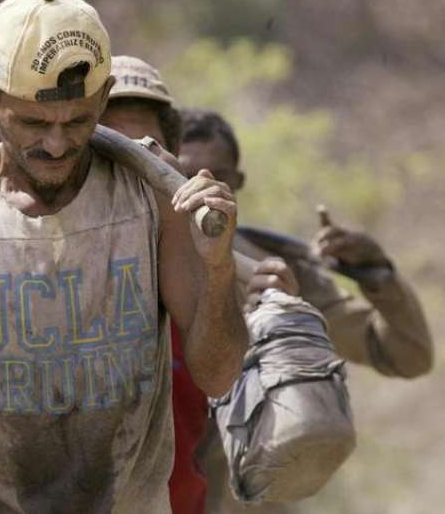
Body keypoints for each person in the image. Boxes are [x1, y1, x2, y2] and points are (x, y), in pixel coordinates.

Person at [0, 0, 247, 514]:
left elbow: (219, 374)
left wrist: (218, 266)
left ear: (103, 96)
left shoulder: (150, 199)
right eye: (32, 123)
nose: (56, 144)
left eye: (78, 121)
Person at [177, 109, 433, 513]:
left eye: (217, 175)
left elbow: (407, 354)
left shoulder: (274, 271)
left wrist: (377, 275)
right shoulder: (126, 269)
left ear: (238, 183)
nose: (202, 190)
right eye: (184, 176)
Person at [98, 54, 209, 514]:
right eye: (109, 145)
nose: (129, 162)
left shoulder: (204, 268)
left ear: (170, 160)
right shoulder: (38, 261)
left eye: (142, 146)